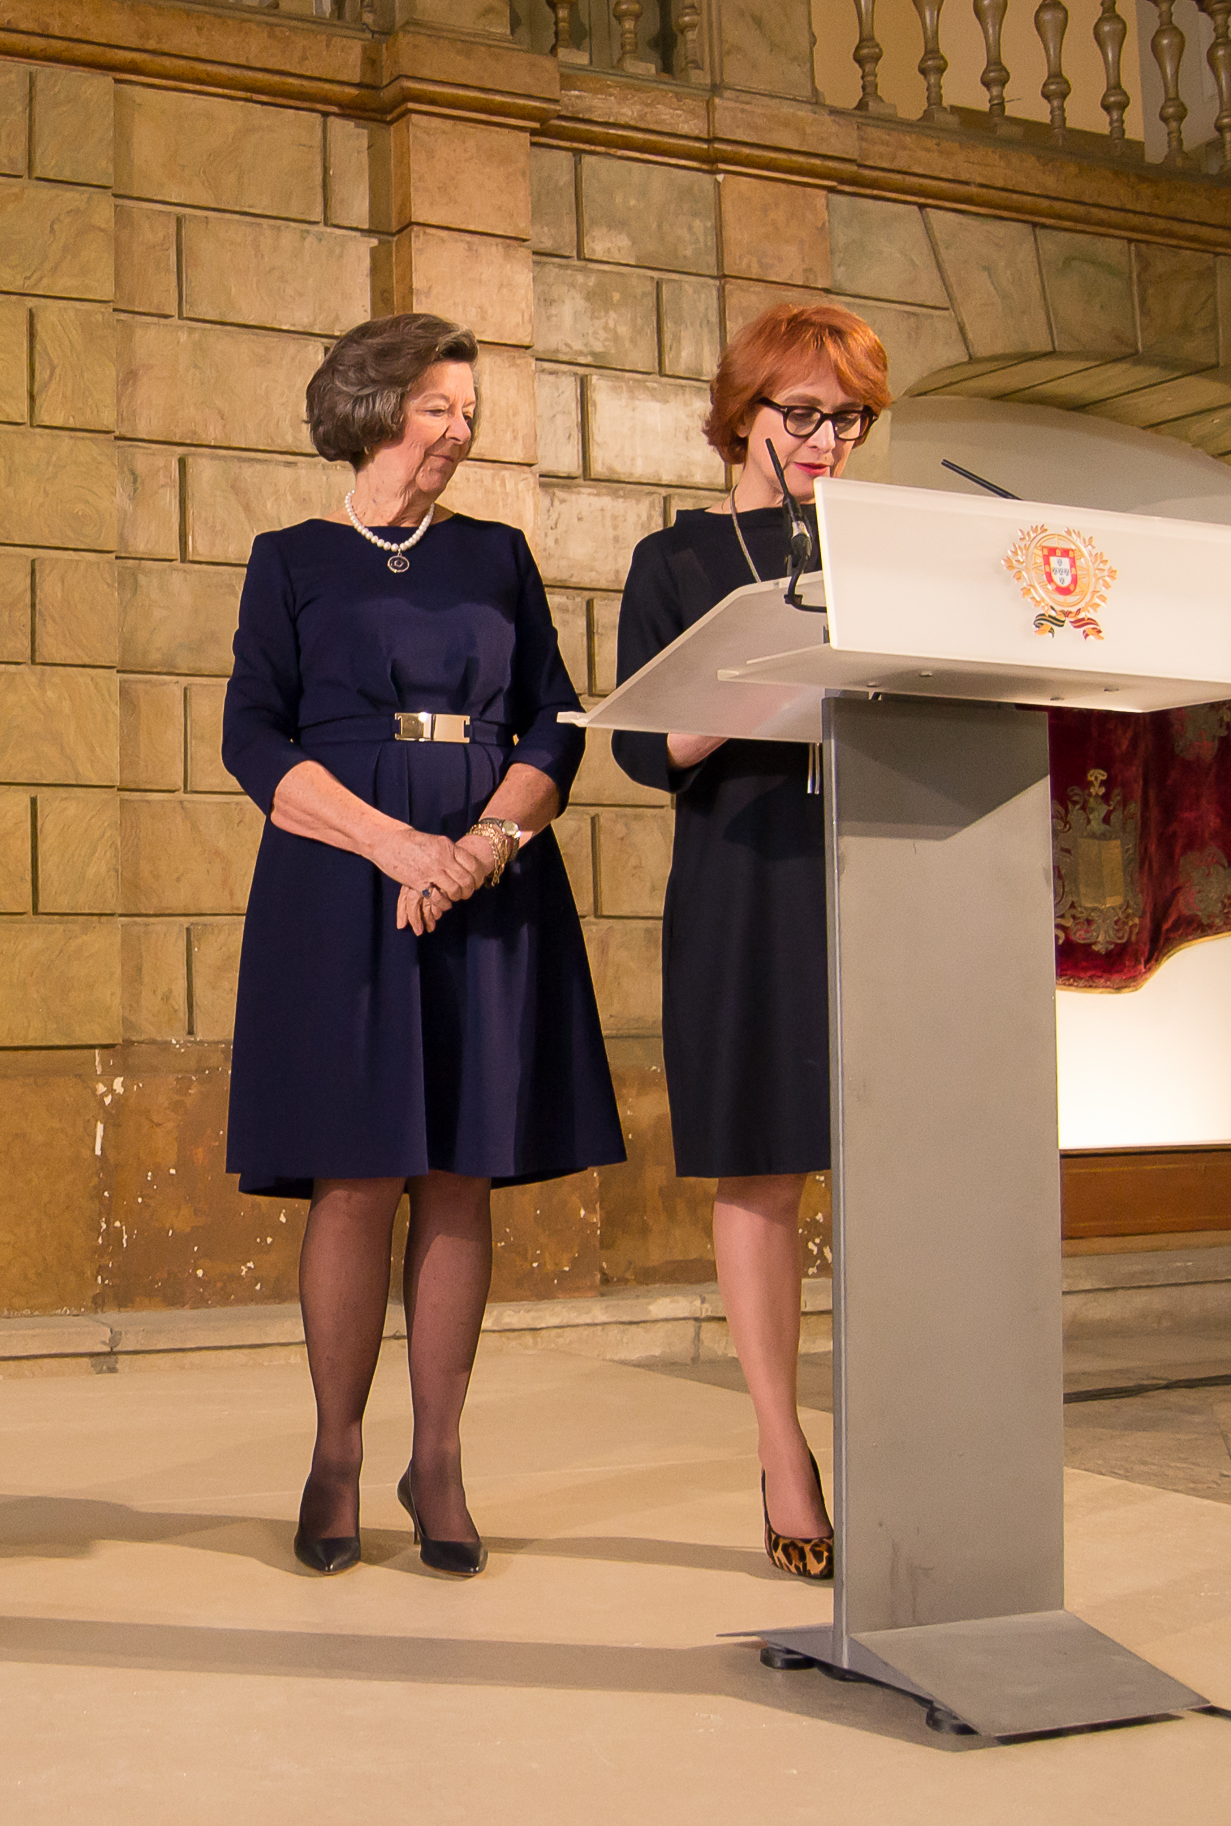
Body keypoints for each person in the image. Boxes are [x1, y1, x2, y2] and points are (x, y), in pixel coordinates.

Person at [221, 312, 627, 1580]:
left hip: (489, 884)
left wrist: (484, 845)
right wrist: (398, 847)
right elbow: (253, 738)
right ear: (373, 403)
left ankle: (438, 1456)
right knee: (356, 1173)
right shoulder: (290, 559)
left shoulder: (498, 555)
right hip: (339, 886)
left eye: (469, 411)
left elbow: (557, 722)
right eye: (439, 405)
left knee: (459, 1171)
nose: (460, 429)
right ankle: (337, 1450)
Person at [610, 301, 895, 1584]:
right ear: (743, 414)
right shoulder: (677, 557)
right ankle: (784, 1448)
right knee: (765, 1167)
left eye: (851, 418)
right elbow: (643, 749)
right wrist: (760, 675)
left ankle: (910, 1438)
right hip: (747, 878)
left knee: (901, 1167)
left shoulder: (887, 550)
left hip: (886, 864)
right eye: (805, 413)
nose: (829, 438)